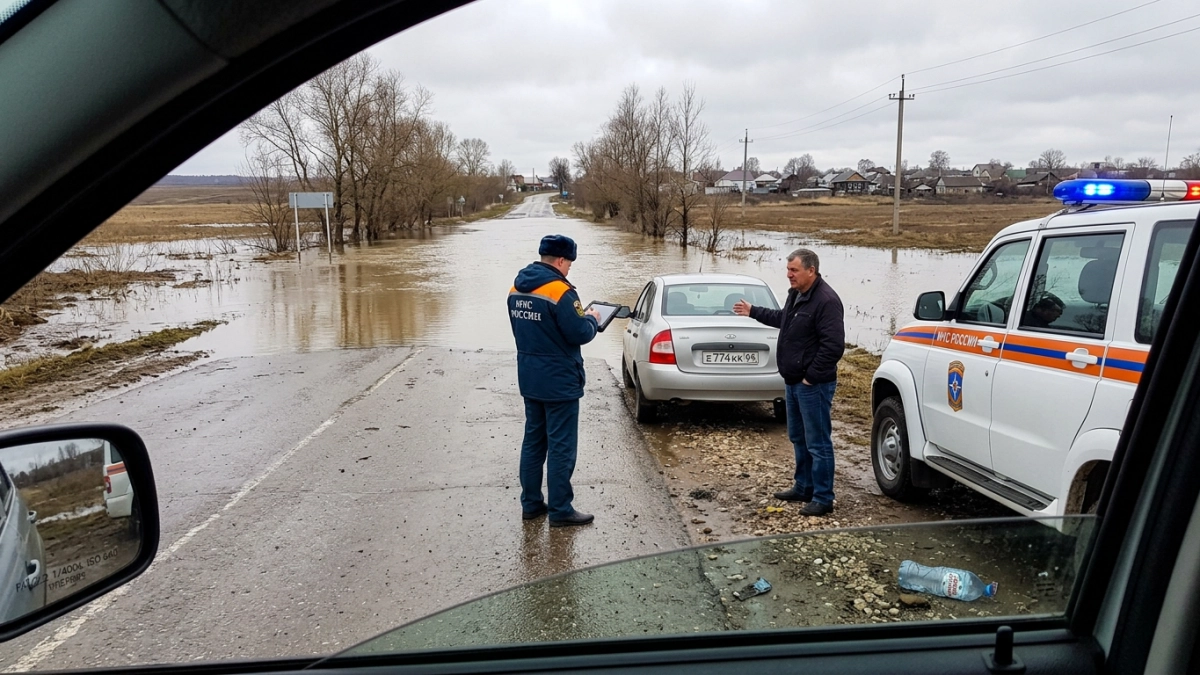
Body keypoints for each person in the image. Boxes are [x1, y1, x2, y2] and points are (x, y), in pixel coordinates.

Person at [734, 248, 845, 516]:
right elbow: (782, 320)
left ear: (811, 270)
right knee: (798, 437)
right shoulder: (796, 294)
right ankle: (803, 486)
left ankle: (823, 497)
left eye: (794, 270)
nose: (789, 275)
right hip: (793, 381)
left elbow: (833, 347)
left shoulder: (826, 301)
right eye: (788, 270)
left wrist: (810, 377)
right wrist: (753, 311)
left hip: (813, 385)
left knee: (818, 442)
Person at [507, 234, 602, 527]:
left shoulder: (515, 287)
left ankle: (531, 504)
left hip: (530, 376)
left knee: (533, 442)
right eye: (569, 263)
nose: (569, 269)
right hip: (560, 380)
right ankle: (561, 510)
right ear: (561, 260)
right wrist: (593, 319)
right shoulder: (561, 292)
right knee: (561, 445)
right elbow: (580, 334)